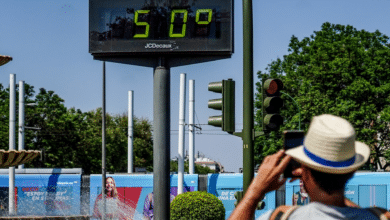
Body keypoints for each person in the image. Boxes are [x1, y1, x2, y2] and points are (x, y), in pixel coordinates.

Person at [229, 114, 390, 220]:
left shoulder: (282, 217)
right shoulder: (381, 217)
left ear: (303, 169)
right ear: (351, 171)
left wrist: (255, 192)